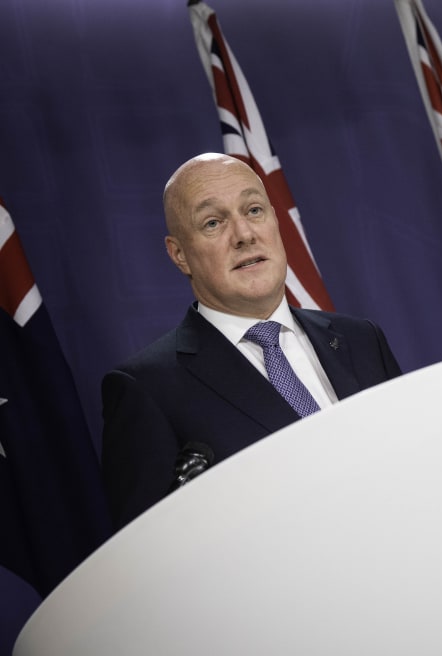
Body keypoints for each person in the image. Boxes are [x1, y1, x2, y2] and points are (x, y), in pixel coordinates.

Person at [101, 153, 402, 529]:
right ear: (179, 255)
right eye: (213, 222)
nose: (244, 235)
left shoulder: (361, 339)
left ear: (276, 221)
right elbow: (151, 561)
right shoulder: (147, 389)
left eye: (254, 210)